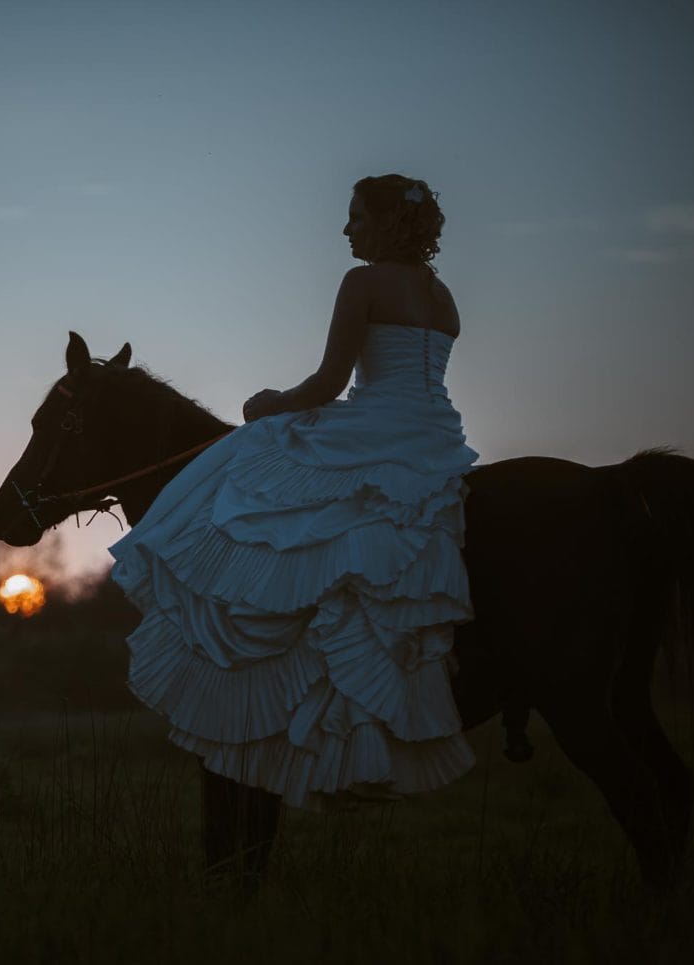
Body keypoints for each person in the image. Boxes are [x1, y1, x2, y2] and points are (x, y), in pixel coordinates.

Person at [109, 174, 478, 862]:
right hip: (434, 437)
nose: (346, 230)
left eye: (355, 216)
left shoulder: (362, 283)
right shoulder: (443, 295)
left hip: (375, 428)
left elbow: (328, 384)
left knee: (253, 471)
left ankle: (259, 647)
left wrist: (265, 404)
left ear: (384, 224)